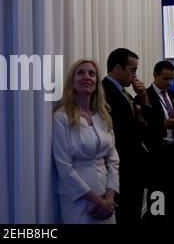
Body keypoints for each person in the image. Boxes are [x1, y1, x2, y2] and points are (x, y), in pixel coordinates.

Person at [53, 59, 119, 224]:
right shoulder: (61, 118)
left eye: (92, 74)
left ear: (97, 81)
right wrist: (98, 201)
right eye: (80, 73)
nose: (87, 77)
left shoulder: (103, 117)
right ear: (72, 80)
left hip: (106, 196)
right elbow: (64, 167)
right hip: (76, 198)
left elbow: (113, 160)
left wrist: (109, 198)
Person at [102, 48, 151, 224]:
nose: (135, 75)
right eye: (132, 70)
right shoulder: (104, 92)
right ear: (117, 67)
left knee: (133, 211)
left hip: (132, 165)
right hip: (122, 165)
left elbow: (146, 120)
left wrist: (143, 97)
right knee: (126, 214)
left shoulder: (124, 92)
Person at [144, 61, 174, 223]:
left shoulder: (173, 94)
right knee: (158, 193)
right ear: (155, 76)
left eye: (172, 79)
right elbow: (141, 129)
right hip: (158, 153)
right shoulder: (144, 97)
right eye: (165, 79)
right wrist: (162, 126)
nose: (169, 83)